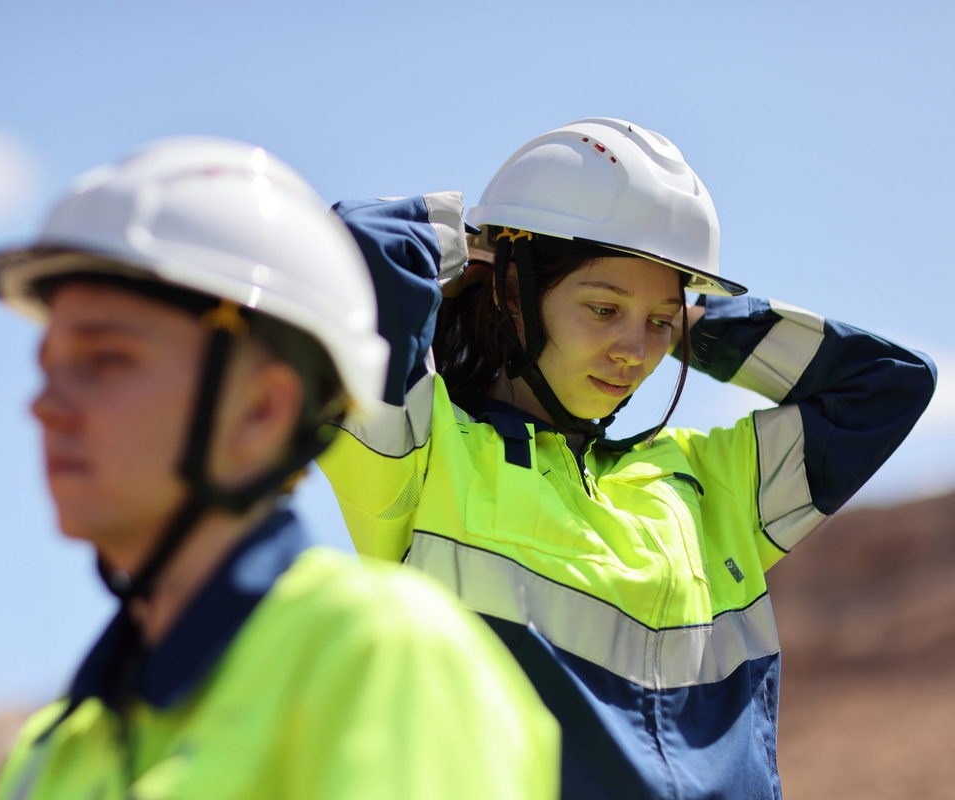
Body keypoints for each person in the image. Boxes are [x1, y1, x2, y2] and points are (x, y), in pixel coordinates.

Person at [318, 117, 937, 799]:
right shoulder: (420, 452)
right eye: (603, 309)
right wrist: (480, 247)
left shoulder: (710, 483)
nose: (634, 353)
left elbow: (887, 383)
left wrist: (695, 326)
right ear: (512, 293)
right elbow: (347, 257)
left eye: (657, 325)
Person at [0, 136, 559, 800]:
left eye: (106, 360)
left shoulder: (380, 655)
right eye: (50, 366)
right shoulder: (59, 745)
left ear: (263, 410)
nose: (45, 406)